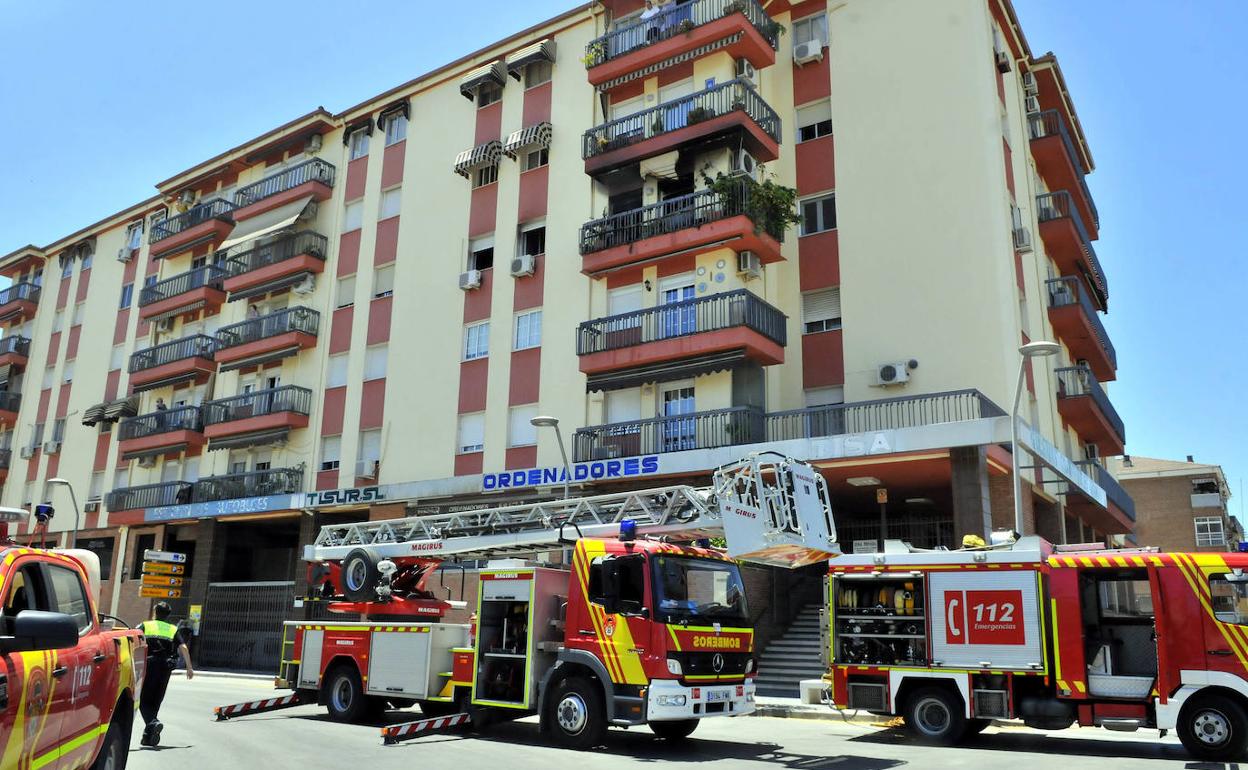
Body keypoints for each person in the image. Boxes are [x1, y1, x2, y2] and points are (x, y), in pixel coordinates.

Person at [139, 601, 194, 747]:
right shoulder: (173, 629)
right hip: (165, 668)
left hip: (149, 666)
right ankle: (148, 737)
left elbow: (133, 640)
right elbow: (183, 647)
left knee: (143, 700)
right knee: (156, 700)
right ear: (168, 615)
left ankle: (152, 722)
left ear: (155, 612)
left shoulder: (145, 625)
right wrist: (189, 667)